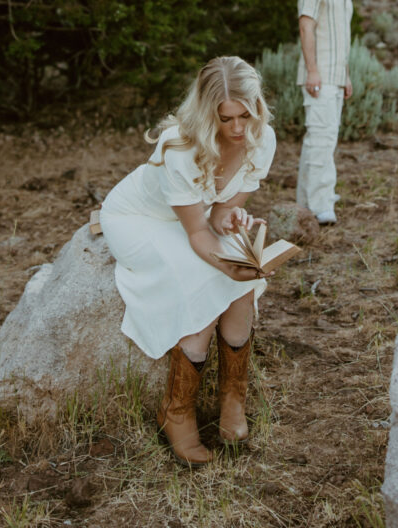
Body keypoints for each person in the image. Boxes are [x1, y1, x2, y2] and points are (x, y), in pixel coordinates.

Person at [100, 56, 276, 467]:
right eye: (225, 119)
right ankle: (176, 413)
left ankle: (233, 400)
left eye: (245, 117)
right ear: (206, 114)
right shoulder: (179, 146)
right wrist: (223, 262)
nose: (237, 129)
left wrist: (232, 216)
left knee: (241, 287)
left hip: (191, 219)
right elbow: (197, 234)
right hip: (140, 220)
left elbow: (215, 215)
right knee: (202, 290)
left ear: (257, 108)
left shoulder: (261, 138)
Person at [296, 0, 353, 225]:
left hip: (335, 77)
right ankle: (320, 205)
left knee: (320, 140)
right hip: (318, 76)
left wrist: (345, 76)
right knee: (321, 139)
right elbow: (307, 28)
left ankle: (307, 201)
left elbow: (341, 38)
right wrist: (312, 69)